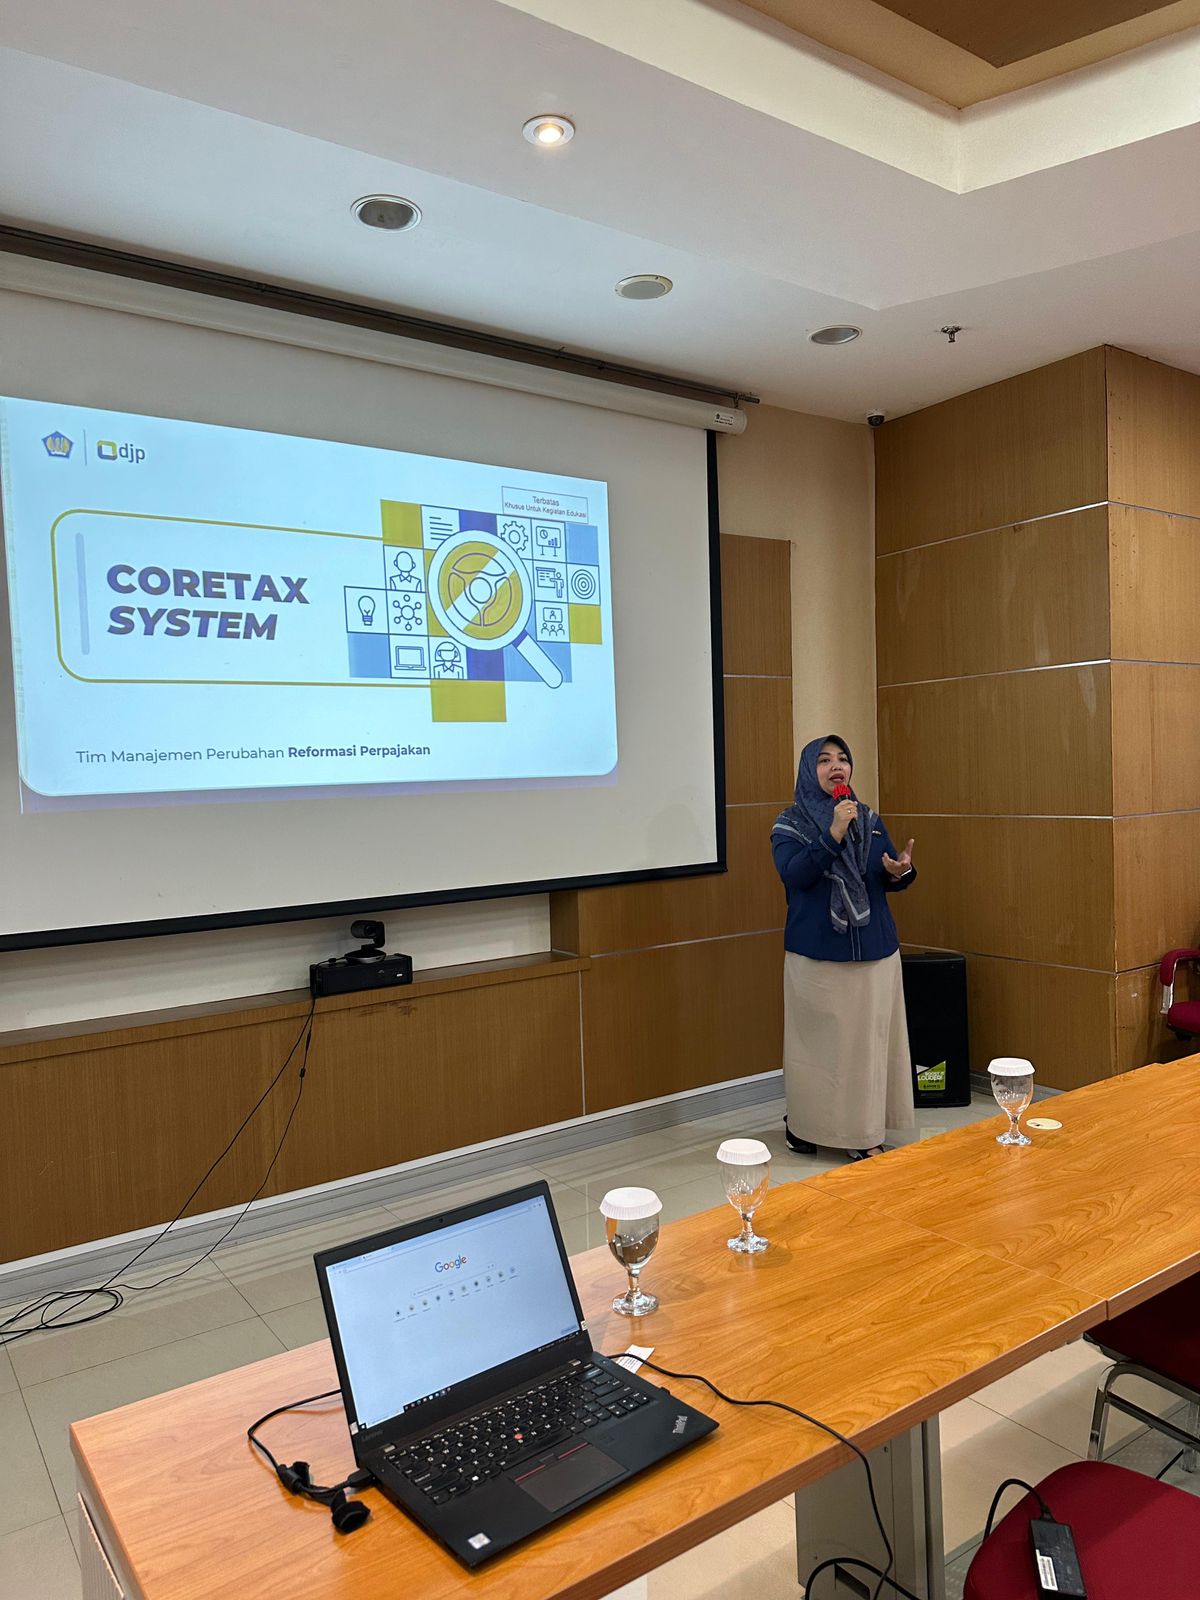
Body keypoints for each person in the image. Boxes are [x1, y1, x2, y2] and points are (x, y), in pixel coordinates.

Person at [771, 735, 917, 1161]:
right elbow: (795, 875)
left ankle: (863, 1132)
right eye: (824, 760)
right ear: (808, 771)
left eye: (842, 759)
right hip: (818, 954)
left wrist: (899, 872)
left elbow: (884, 873)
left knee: (867, 1051)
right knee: (817, 1054)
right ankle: (804, 1126)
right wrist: (832, 833)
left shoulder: (867, 818)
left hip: (874, 951)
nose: (836, 766)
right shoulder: (789, 824)